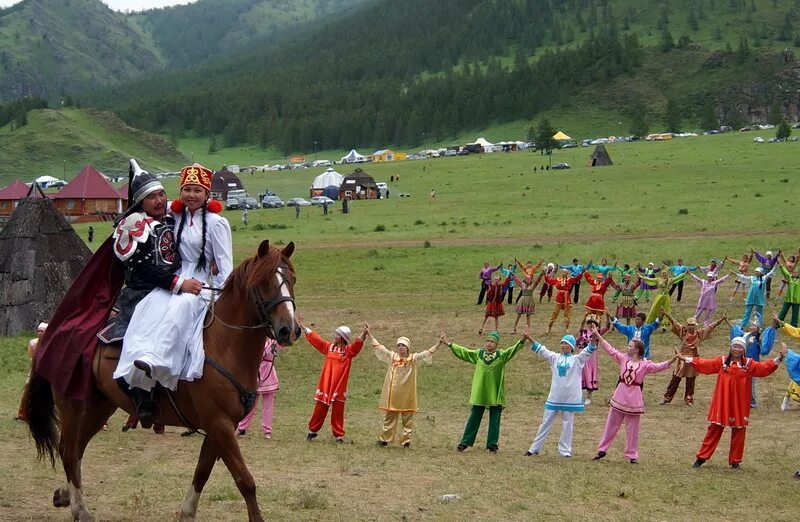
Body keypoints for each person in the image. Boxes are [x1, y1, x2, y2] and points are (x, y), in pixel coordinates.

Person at [114, 163, 232, 425]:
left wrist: (221, 297)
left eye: (197, 190)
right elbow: (146, 206)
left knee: (181, 308)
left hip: (200, 283)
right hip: (177, 279)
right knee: (150, 307)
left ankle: (160, 361)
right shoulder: (174, 216)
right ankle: (139, 369)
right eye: (187, 190)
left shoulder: (216, 223)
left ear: (207, 193)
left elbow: (225, 267)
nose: (191, 195)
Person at [97, 160, 193, 423]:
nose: (159, 200)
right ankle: (142, 394)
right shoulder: (134, 225)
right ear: (141, 202)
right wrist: (178, 284)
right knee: (147, 340)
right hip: (142, 295)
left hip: (171, 289)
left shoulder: (171, 220)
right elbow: (145, 269)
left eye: (161, 194)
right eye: (152, 196)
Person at [682, 337, 785, 469]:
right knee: (714, 429)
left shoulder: (749, 364)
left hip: (739, 403)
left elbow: (763, 368)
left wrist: (778, 359)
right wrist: (688, 359)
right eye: (735, 346)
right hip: (722, 402)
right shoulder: (723, 361)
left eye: (740, 347)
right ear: (731, 348)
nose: (737, 349)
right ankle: (701, 458)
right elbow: (706, 364)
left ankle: (735, 461)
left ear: (744, 350)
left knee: (739, 430)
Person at [592, 328, 675, 463]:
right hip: (620, 395)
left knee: (633, 429)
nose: (627, 347)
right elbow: (610, 349)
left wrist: (672, 360)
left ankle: (632, 455)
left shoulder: (644, 365)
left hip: (633, 399)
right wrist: (598, 336)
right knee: (611, 424)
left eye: (630, 345)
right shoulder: (623, 359)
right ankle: (602, 450)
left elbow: (658, 366)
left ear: (636, 349)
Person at [447, 330, 528, 453]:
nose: (489, 343)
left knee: (495, 418)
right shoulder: (478, 354)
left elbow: (513, 350)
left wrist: (522, 340)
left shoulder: (501, 355)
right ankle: (465, 442)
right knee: (474, 416)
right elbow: (464, 352)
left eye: (492, 342)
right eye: (488, 341)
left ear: (496, 344)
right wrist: (449, 344)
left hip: (494, 392)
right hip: (480, 391)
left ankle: (492, 444)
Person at [298, 316, 366, 442]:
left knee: (338, 411)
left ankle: (338, 435)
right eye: (335, 334)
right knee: (320, 408)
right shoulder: (329, 347)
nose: (334, 336)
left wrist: (363, 334)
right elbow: (316, 340)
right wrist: (303, 327)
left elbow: (356, 345)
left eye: (337, 335)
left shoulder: (348, 351)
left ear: (343, 338)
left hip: (339, 386)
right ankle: (312, 431)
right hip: (326, 384)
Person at [525, 334, 594, 458]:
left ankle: (565, 451)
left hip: (570, 398)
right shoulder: (555, 357)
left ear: (571, 346)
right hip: (555, 397)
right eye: (562, 343)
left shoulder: (577, 359)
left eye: (566, 343)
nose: (563, 345)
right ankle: (534, 448)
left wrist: (594, 337)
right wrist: (529, 338)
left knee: (568, 424)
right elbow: (542, 349)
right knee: (545, 422)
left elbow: (589, 349)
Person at [371, 332, 439, 448]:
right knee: (390, 417)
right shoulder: (393, 357)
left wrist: (438, 343)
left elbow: (426, 353)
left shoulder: (413, 359)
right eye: (399, 345)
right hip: (394, 394)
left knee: (407, 418)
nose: (400, 348)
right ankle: (385, 439)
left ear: (407, 347)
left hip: (407, 394)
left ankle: (406, 441)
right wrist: (370, 335)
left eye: (403, 345)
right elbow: (381, 348)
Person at [660, 313, 726, 406]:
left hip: (693, 358)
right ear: (687, 325)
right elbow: (674, 322)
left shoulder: (699, 334)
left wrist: (721, 320)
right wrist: (666, 314)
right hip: (682, 358)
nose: (691, 327)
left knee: (690, 380)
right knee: (675, 379)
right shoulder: (683, 331)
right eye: (689, 325)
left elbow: (710, 327)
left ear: (695, 326)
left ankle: (689, 398)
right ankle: (667, 398)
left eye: (692, 325)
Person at [237, 339, 282, 439]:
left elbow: (287, 340)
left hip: (268, 374)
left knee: (268, 405)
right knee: (251, 403)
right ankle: (242, 427)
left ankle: (267, 430)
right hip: (257, 373)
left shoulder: (274, 342)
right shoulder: (257, 341)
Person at [16, 322, 48, 421]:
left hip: (45, 372)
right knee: (28, 390)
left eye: (42, 331)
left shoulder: (50, 344)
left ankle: (42, 415)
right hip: (34, 370)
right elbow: (31, 355)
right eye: (38, 331)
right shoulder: (33, 343)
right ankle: (22, 413)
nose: (39, 333)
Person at [578, 314, 610, 405]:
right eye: (589, 323)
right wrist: (582, 322)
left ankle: (589, 395)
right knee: (581, 373)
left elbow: (607, 327)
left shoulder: (597, 332)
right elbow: (577, 340)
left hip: (591, 356)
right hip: (582, 354)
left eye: (593, 323)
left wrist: (607, 317)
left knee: (589, 373)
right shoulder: (583, 332)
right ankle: (580, 394)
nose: (591, 325)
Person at [545, 268, 583, 333]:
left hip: (566, 297)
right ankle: (549, 327)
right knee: (555, 313)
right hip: (559, 298)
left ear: (567, 274)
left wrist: (581, 273)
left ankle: (567, 327)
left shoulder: (569, 280)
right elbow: (549, 280)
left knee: (567, 314)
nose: (563, 273)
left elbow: (577, 278)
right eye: (562, 272)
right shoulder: (558, 279)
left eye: (565, 272)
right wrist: (545, 275)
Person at [777, 257, 800, 327]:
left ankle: (793, 326)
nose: (795, 273)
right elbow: (784, 271)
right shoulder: (789, 277)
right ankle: (778, 323)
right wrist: (780, 263)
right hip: (788, 299)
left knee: (795, 314)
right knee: (783, 311)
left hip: (797, 300)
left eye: (796, 272)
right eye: (794, 272)